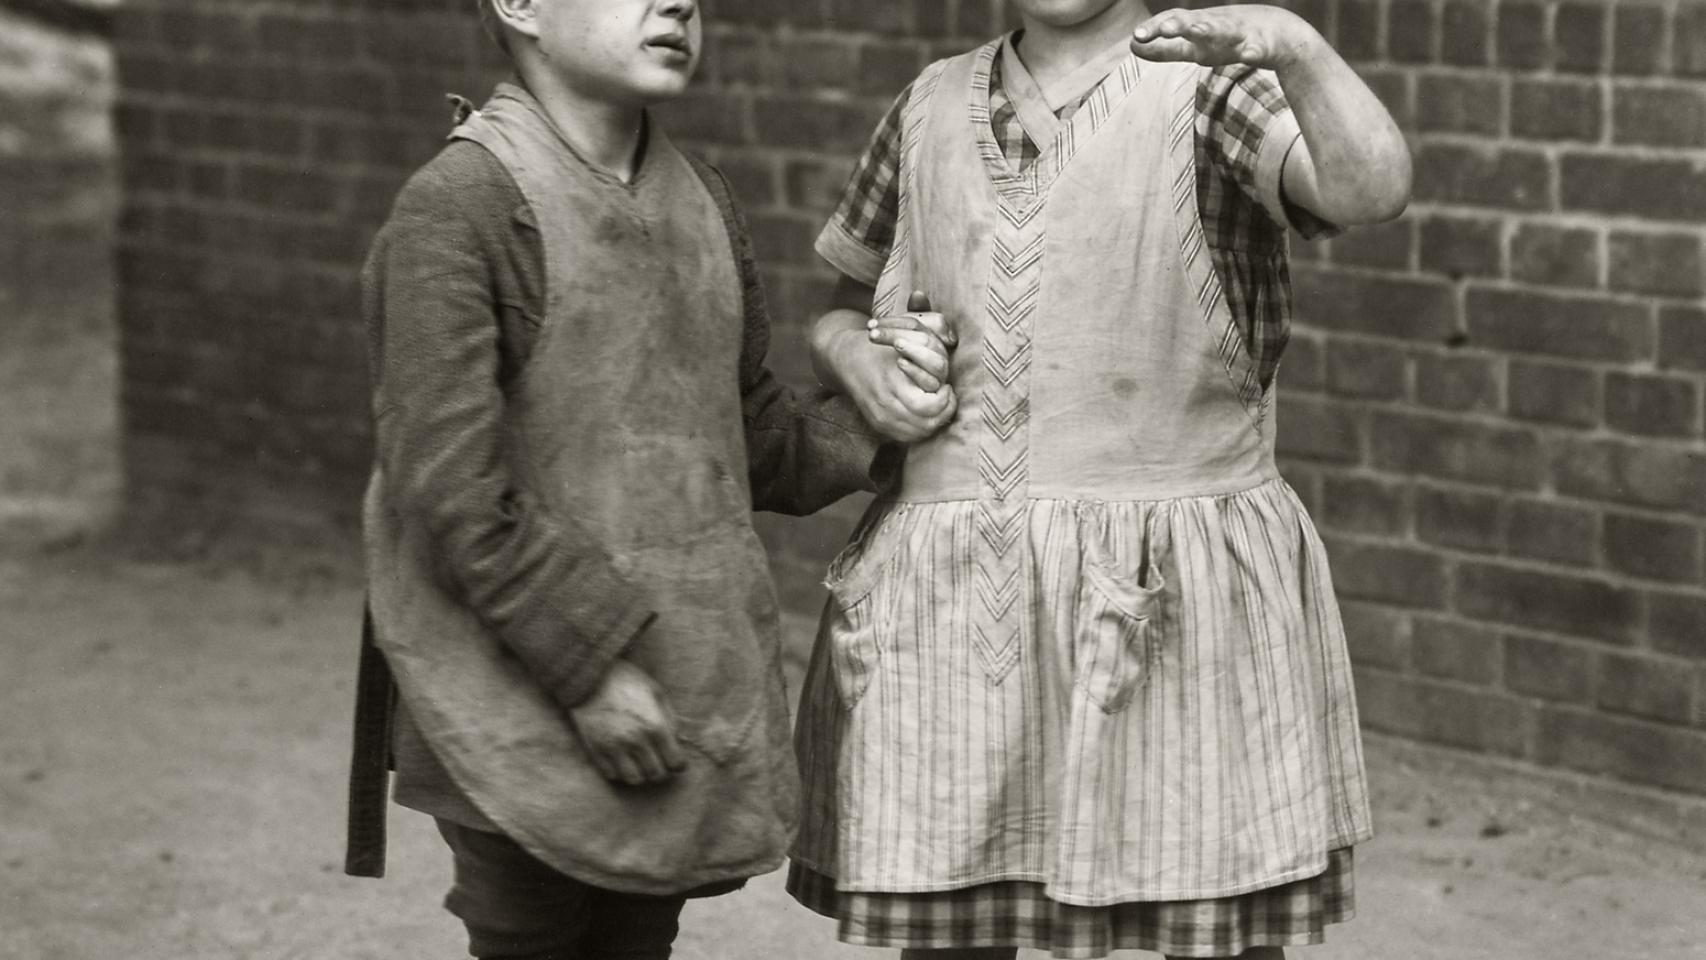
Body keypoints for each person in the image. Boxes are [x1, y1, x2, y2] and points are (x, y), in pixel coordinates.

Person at [790, 3, 1411, 958]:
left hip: (1169, 600)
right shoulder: (926, 104)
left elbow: (1371, 189)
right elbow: (840, 307)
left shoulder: (1214, 85)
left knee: (1205, 907)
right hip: (965, 603)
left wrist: (1292, 43)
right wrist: (860, 360)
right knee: (957, 910)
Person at [340, 1, 955, 957]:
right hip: (519, 676)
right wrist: (586, 672)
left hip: (673, 674)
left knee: (635, 939)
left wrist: (886, 414)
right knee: (532, 934)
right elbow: (450, 486)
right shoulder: (458, 206)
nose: (676, 5)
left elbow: (746, 438)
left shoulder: (701, 199)